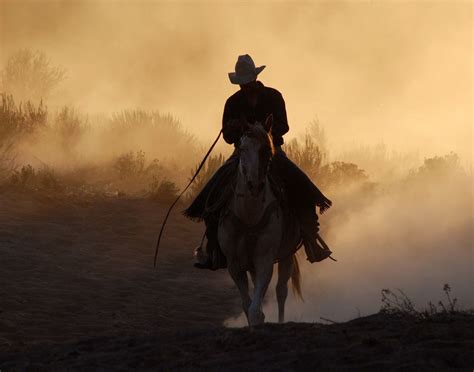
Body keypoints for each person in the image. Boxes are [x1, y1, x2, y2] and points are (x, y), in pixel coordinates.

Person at [184, 54, 333, 270]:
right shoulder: (233, 103)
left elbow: (284, 125)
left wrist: (263, 133)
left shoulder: (273, 97)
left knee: (300, 185)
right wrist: (235, 129)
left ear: (254, 78)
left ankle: (310, 239)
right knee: (214, 189)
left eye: (247, 82)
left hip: (270, 151)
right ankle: (214, 247)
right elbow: (227, 136)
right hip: (243, 152)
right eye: (242, 83)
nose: (245, 87)